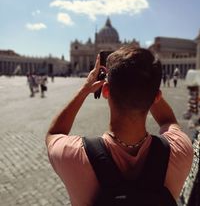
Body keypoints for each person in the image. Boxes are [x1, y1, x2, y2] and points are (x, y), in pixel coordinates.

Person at [46, 46, 193, 206]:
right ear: (156, 96)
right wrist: (146, 87)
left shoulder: (73, 155)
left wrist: (84, 89)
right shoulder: (181, 149)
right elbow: (168, 121)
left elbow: (54, 134)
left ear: (106, 91)